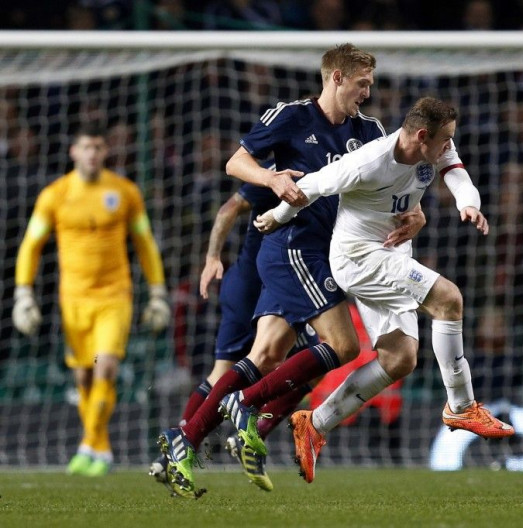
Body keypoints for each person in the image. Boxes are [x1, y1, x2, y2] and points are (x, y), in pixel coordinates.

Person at [156, 43, 426, 499]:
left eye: (372, 83)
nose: (368, 91)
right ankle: (247, 413)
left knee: (267, 355)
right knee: (342, 346)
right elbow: (235, 163)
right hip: (293, 246)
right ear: (335, 78)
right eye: (362, 83)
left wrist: (414, 213)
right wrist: (272, 179)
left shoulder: (372, 130)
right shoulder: (290, 116)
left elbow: (396, 185)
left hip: (332, 252)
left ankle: (185, 442)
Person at [255, 96, 515, 483]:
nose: (449, 146)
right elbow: (308, 187)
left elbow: (456, 171)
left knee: (400, 359)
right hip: (359, 259)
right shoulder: (369, 161)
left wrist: (469, 203)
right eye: (444, 140)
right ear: (422, 136)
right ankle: (461, 405)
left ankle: (315, 425)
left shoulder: (436, 146)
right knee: (449, 299)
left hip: (391, 255)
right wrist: (275, 217)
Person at [12, 124, 171, 476]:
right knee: (83, 378)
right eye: (86, 147)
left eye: (98, 147)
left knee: (106, 367)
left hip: (115, 296)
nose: (92, 154)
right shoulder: (55, 195)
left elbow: (145, 244)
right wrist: (23, 294)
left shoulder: (125, 191)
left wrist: (157, 293)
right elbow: (31, 245)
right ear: (74, 152)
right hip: (73, 301)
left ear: (106, 152)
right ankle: (100, 449)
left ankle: (87, 443)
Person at [148, 171, 320, 493]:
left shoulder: (322, 162)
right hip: (257, 286)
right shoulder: (277, 173)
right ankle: (199, 442)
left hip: (267, 283)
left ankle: (176, 452)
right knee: (315, 354)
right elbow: (229, 208)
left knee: (315, 359)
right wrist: (212, 257)